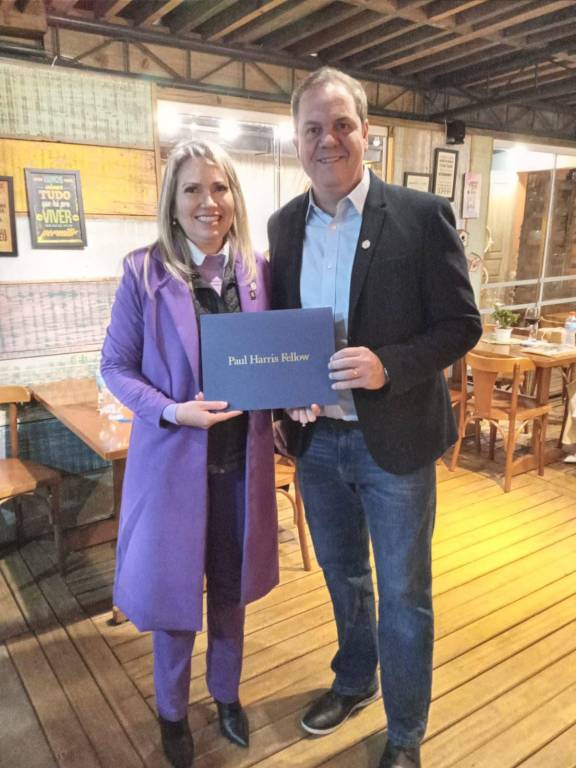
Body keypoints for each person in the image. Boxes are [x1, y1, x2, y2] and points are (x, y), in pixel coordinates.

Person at [268, 67, 482, 768]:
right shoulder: (283, 226)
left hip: (396, 443)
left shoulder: (420, 216)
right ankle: (355, 680)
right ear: (296, 140)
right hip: (318, 442)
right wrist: (286, 392)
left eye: (341, 125)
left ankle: (405, 735)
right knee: (343, 577)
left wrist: (389, 364)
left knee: (405, 594)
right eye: (312, 128)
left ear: (367, 133)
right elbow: (282, 329)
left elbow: (461, 324)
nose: (327, 140)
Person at [101, 139, 278, 768]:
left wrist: (299, 394)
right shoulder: (142, 273)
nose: (209, 202)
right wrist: (174, 411)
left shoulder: (257, 270)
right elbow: (115, 368)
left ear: (235, 196)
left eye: (220, 187)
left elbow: (278, 357)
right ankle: (172, 713)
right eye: (193, 189)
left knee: (231, 592)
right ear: (172, 204)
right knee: (175, 600)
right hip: (175, 466)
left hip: (240, 468)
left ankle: (226, 695)